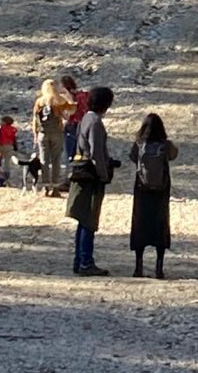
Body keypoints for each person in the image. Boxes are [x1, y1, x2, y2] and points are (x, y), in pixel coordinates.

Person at [66, 86, 118, 277]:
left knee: (82, 219)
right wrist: (104, 173)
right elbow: (96, 151)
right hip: (91, 175)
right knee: (89, 219)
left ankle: (79, 260)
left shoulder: (85, 118)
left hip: (82, 170)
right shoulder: (95, 122)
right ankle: (86, 261)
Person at [130, 113, 178, 280]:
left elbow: (132, 157)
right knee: (160, 225)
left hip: (142, 189)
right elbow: (174, 155)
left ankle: (138, 266)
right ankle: (159, 267)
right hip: (161, 191)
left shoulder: (139, 144)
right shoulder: (165, 145)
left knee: (140, 224)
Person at [33, 79, 76, 198]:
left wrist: (35, 135)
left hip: (43, 133)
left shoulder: (40, 101)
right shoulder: (60, 101)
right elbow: (72, 110)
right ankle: (55, 187)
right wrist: (69, 97)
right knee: (56, 160)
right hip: (57, 132)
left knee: (44, 160)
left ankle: (46, 187)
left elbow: (35, 119)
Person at [61, 75, 89, 165]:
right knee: (82, 147)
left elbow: (69, 114)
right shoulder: (83, 95)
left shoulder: (67, 97)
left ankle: (73, 166)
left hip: (72, 124)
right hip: (84, 123)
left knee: (71, 149)